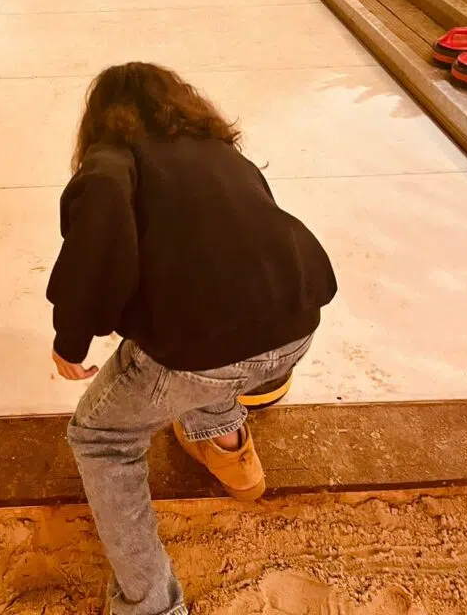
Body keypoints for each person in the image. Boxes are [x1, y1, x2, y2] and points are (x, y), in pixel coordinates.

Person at [47, 62, 337, 615]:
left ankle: (150, 605)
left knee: (102, 439)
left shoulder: (110, 163)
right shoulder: (222, 153)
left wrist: (71, 340)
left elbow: (94, 255)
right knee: (218, 343)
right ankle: (231, 453)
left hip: (205, 348)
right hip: (295, 326)